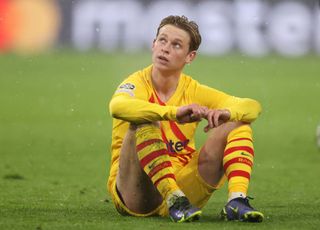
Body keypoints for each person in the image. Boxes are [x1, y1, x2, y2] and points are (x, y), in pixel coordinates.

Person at [107, 15, 264, 223]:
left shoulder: (194, 90)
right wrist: (173, 112)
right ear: (153, 44)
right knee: (145, 120)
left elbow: (252, 107)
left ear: (190, 57)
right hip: (136, 193)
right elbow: (117, 107)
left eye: (176, 45)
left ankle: (237, 200)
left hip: (185, 190)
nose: (165, 48)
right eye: (162, 40)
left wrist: (228, 113)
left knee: (238, 123)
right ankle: (173, 197)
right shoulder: (136, 83)